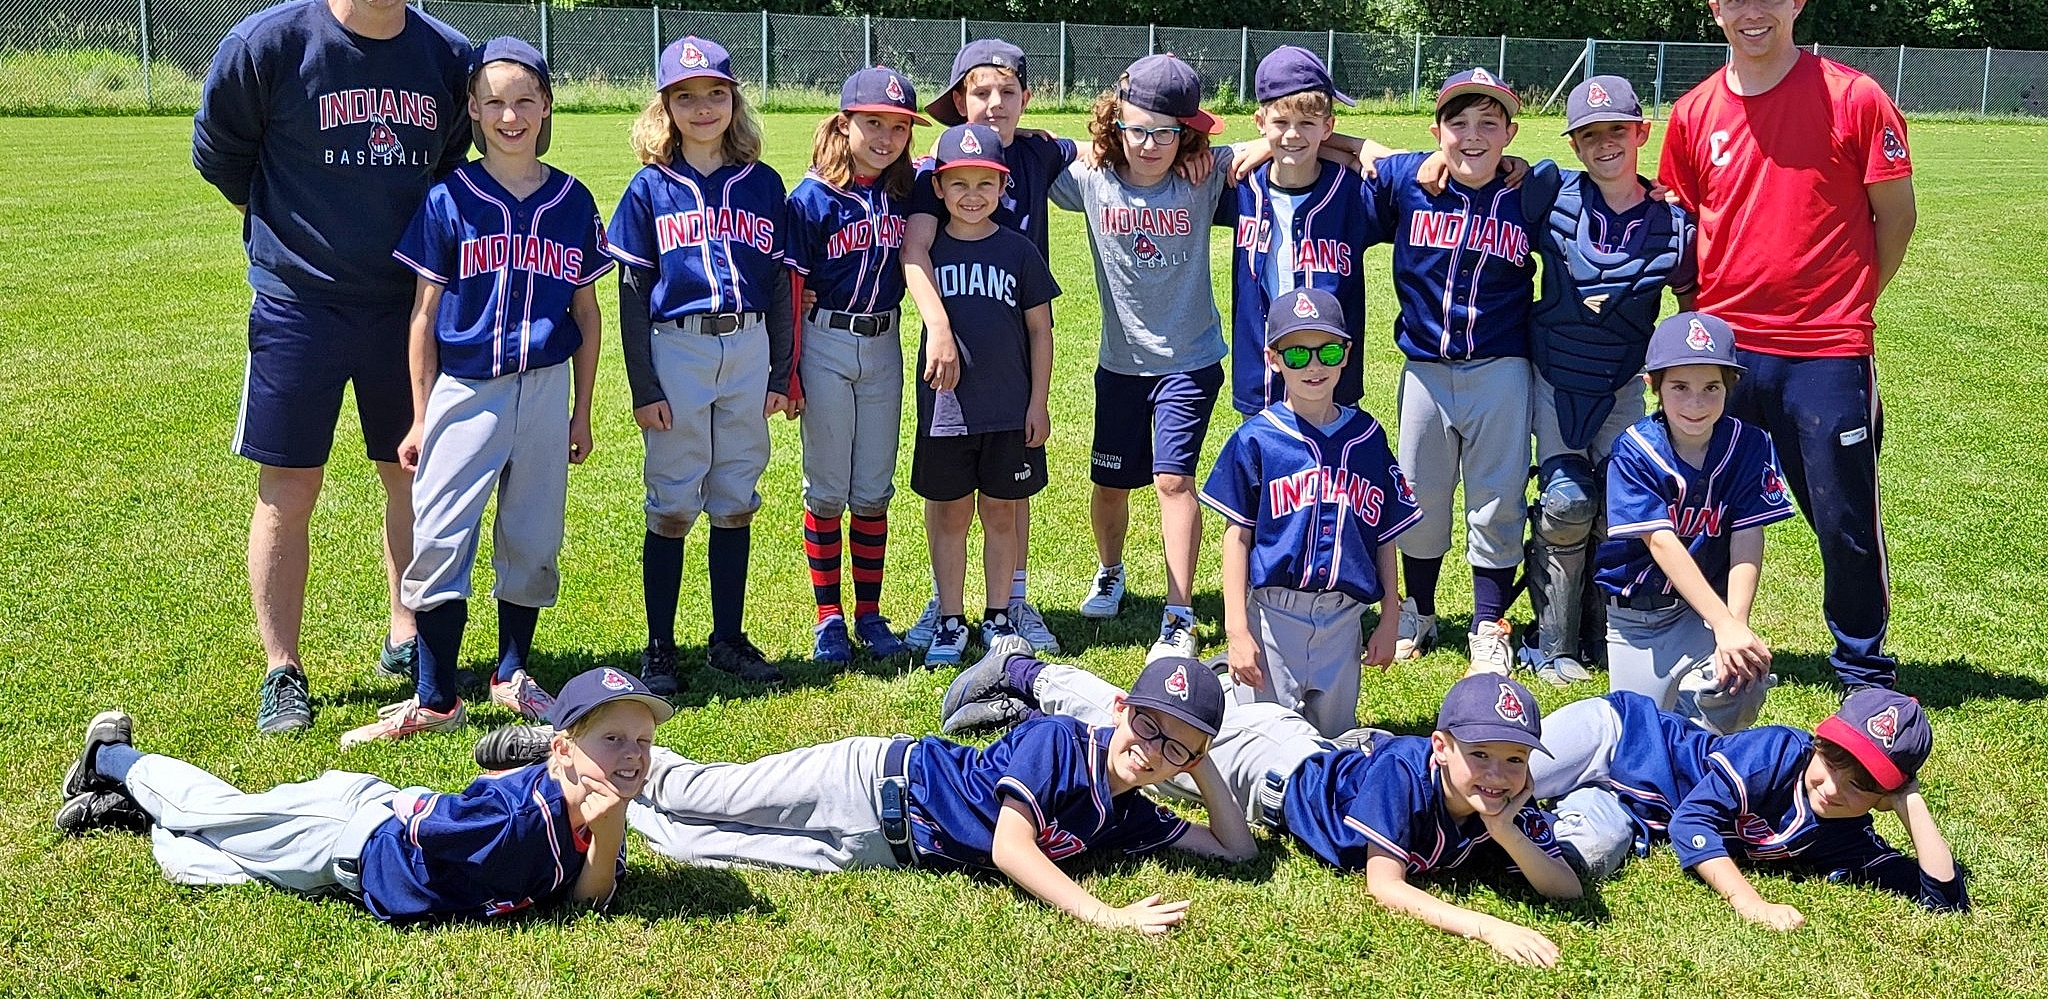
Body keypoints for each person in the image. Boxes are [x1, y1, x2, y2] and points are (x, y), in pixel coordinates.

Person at [191, 0, 472, 733]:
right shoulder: (269, 43)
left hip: (406, 307)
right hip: (299, 305)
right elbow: (222, 156)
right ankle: (283, 669)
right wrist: (291, 237)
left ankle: (405, 633)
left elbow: (454, 167)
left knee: (410, 471)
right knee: (289, 484)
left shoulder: (449, 57)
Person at [475, 657, 1258, 934]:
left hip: (876, 850)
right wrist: (1106, 916)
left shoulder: (1128, 812)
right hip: (870, 780)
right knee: (697, 788)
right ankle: (557, 731)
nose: (1150, 751)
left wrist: (1203, 768)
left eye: (1174, 748)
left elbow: (1235, 848)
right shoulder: (1061, 743)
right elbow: (1010, 847)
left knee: (689, 842)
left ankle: (573, 775)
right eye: (1147, 725)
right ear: (1119, 709)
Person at [943, 652, 1581, 967]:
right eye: (1483, 756)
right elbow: (1386, 887)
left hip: (1298, 751)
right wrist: (1487, 927)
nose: (1498, 775)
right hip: (1268, 766)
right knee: (1137, 735)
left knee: (1166, 742)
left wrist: (1505, 830)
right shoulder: (1408, 773)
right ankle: (1027, 670)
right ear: (1443, 748)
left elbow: (1565, 888)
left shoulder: (1497, 796)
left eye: (1514, 760)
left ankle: (1215, 691)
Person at [1658, 0, 1916, 691]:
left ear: (1797, 2)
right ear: (1716, 11)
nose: (1755, 11)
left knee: (1843, 516)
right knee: (1704, 505)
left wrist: (1853, 301)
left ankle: (1862, 668)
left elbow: (1896, 216)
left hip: (1825, 349)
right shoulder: (1694, 111)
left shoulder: (1854, 97)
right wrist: (1696, 320)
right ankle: (1708, 642)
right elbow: (1684, 225)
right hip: (1724, 351)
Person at [337, 38, 608, 748]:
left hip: (545, 385)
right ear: (474, 110)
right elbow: (423, 316)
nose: (510, 116)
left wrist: (581, 411)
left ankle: (512, 674)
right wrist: (420, 416)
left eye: (524, 101)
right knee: (439, 535)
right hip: (466, 387)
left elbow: (587, 314)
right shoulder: (449, 198)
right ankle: (435, 697)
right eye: (494, 102)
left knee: (534, 537)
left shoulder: (572, 200)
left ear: (545, 107)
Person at [53, 667, 669, 923]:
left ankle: (125, 809)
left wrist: (608, 823)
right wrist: (396, 802)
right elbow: (423, 815)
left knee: (199, 863)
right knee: (208, 812)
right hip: (344, 830)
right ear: (562, 749)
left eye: (642, 740)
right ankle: (108, 757)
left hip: (343, 870)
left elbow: (588, 900)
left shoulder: (596, 809)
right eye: (613, 738)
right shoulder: (510, 816)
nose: (633, 754)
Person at [605, 35, 795, 694]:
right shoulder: (650, 187)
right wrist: (644, 385)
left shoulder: (762, 184)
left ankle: (728, 639)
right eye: (685, 97)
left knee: (736, 494)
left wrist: (779, 372)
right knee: (672, 497)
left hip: (747, 343)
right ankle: (660, 646)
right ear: (665, 108)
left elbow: (778, 284)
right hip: (677, 346)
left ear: (734, 101)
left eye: (716, 93)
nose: (703, 107)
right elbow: (632, 291)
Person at [1049, 54, 1235, 661]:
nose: (1150, 145)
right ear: (1115, 124)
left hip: (1189, 359)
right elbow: (1018, 151)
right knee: (1110, 483)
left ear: (1187, 134)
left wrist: (1360, 146)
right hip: (1120, 365)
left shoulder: (1202, 176)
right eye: (1137, 130)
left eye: (1166, 133)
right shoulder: (1090, 177)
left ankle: (1179, 611)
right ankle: (1111, 571)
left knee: (1173, 479)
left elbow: (1282, 139)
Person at [1512, 75, 1698, 684]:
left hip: (1622, 385)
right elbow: (1477, 185)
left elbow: (1691, 312)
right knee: (1568, 502)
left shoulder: (1674, 226)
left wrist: (1679, 382)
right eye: (1589, 135)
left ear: (1641, 132)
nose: (1605, 143)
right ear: (1574, 144)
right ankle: (1551, 643)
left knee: (1619, 509)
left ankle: (1604, 632)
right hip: (1553, 376)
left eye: (1617, 129)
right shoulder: (1549, 194)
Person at [899, 39, 1073, 654]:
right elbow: (914, 250)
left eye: (1007, 91)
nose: (994, 102)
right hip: (951, 369)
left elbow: (1110, 143)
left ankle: (1010, 604)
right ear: (959, 99)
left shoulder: (1039, 151)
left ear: (1026, 97)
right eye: (980, 92)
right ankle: (947, 606)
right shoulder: (934, 170)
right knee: (949, 501)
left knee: (1006, 499)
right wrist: (940, 329)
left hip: (1012, 365)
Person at [1530, 688, 1966, 925]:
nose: (1833, 788)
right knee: (1508, 779)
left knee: (1582, 856)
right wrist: (1750, 903)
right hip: (1622, 734)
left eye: (1859, 785)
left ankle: (1509, 826)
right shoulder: (1778, 752)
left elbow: (1944, 901)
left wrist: (1910, 801)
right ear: (1818, 743)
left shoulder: (1846, 837)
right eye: (1831, 762)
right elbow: (1691, 823)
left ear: (1883, 798)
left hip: (1626, 808)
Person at [1367, 70, 1536, 678]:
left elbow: (1600, 186)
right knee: (1419, 492)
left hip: (1501, 367)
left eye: (1489, 123)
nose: (1473, 136)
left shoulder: (1530, 190)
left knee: (1497, 496)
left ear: (1510, 133)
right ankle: (1419, 610)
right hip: (1425, 370)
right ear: (1435, 131)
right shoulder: (1410, 179)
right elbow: (1352, 148)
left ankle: (1488, 622)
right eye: (1458, 123)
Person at [1199, 288, 1420, 735]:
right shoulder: (1257, 439)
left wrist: (1390, 618)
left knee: (1334, 738)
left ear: (1346, 355)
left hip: (1343, 619)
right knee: (1265, 737)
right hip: (1273, 615)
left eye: (1328, 352)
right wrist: (1237, 630)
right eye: (1297, 354)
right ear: (1273, 359)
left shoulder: (1368, 438)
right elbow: (1236, 537)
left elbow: (1384, 537)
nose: (1314, 367)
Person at [1597, 312, 1793, 734]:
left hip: (1703, 614)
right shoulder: (1634, 449)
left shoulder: (1749, 443)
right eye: (1680, 387)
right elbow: (1661, 542)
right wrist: (1724, 624)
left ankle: (1703, 752)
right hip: (1639, 620)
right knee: (1637, 737)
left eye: (1711, 388)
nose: (1695, 403)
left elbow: (1747, 535)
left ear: (1729, 386)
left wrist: (1734, 625)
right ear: (1653, 385)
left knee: (1744, 679)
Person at [785, 68, 923, 666]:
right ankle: (829, 617)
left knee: (871, 486)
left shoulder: (908, 189)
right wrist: (789, 369)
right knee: (827, 487)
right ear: (845, 124)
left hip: (884, 343)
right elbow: (791, 285)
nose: (886, 137)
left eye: (899, 127)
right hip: (825, 339)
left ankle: (869, 612)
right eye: (873, 123)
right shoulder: (811, 198)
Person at [1221, 47, 1380, 417]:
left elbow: (1417, 171)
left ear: (1328, 126)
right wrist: (1263, 145)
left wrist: (1358, 147)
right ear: (1260, 121)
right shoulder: (1239, 184)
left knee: (1334, 453)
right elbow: (1176, 157)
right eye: (1280, 122)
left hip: (1331, 369)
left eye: (1308, 123)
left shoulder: (1353, 191)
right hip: (1261, 372)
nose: (1293, 134)